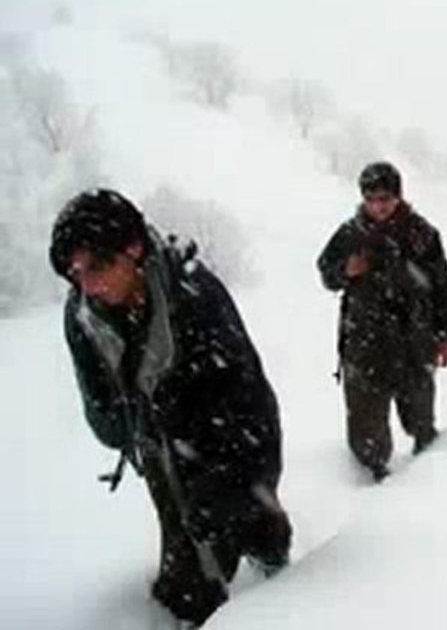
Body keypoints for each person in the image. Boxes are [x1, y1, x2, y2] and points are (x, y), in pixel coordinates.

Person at [49, 189, 292, 628]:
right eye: (75, 272)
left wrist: (232, 476)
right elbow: (99, 400)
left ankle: (287, 586)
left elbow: (249, 398)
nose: (87, 285)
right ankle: (194, 609)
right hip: (157, 442)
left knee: (253, 523)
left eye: (97, 267)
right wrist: (132, 427)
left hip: (226, 433)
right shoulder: (82, 315)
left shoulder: (193, 294)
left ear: (133, 250)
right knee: (187, 572)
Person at [317, 161, 447, 482]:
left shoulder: (422, 234)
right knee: (366, 424)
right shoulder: (350, 233)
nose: (378, 206)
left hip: (415, 339)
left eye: (385, 198)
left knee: (421, 418)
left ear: (398, 196)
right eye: (371, 199)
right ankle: (371, 482)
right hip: (364, 341)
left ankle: (434, 478)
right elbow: (326, 272)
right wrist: (345, 270)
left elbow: (442, 286)